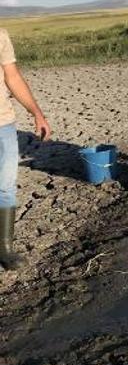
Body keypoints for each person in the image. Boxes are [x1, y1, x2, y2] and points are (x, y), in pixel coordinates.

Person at [0, 28, 52, 271]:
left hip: (3, 123)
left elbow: (13, 77)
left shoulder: (0, 35)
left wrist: (37, 113)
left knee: (6, 186)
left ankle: (6, 249)